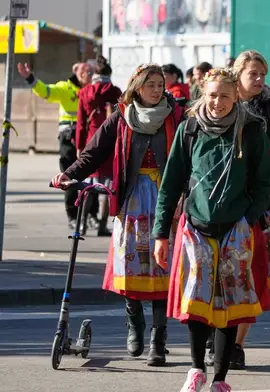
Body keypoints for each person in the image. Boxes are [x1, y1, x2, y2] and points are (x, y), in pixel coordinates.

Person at [51, 63, 184, 366]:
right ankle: (134, 321)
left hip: (166, 201)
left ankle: (158, 340)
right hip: (132, 201)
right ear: (137, 86)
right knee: (131, 263)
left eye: (159, 84)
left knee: (163, 266)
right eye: (149, 83)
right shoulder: (121, 117)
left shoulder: (177, 116)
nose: (156, 89)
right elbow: (93, 152)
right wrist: (68, 176)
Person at [153, 68, 270, 392]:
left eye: (224, 95)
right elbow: (170, 185)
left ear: (236, 95)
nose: (217, 102)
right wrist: (159, 234)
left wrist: (249, 219)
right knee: (196, 302)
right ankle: (195, 369)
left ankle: (220, 378)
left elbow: (265, 182)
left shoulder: (251, 131)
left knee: (229, 305)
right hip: (195, 228)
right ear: (202, 94)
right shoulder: (189, 129)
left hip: (235, 229)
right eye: (211, 95)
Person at [222, 50, 270, 370]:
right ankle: (219, 336)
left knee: (254, 279)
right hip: (222, 207)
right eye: (253, 73)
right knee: (220, 277)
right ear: (237, 74)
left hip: (264, 208)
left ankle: (237, 344)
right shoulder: (221, 107)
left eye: (263, 74)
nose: (260, 80)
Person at [17, 61, 93, 228]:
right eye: (84, 71)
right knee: (69, 176)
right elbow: (46, 92)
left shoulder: (93, 89)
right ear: (76, 72)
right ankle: (73, 217)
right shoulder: (65, 88)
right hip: (69, 137)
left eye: (90, 71)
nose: (88, 74)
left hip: (88, 136)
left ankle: (91, 215)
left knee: (92, 175)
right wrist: (30, 78)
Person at [76, 55, 122, 237]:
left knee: (87, 186)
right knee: (106, 186)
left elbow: (80, 123)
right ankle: (102, 226)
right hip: (110, 141)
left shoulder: (85, 92)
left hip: (91, 141)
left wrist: (80, 147)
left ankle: (81, 226)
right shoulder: (116, 92)